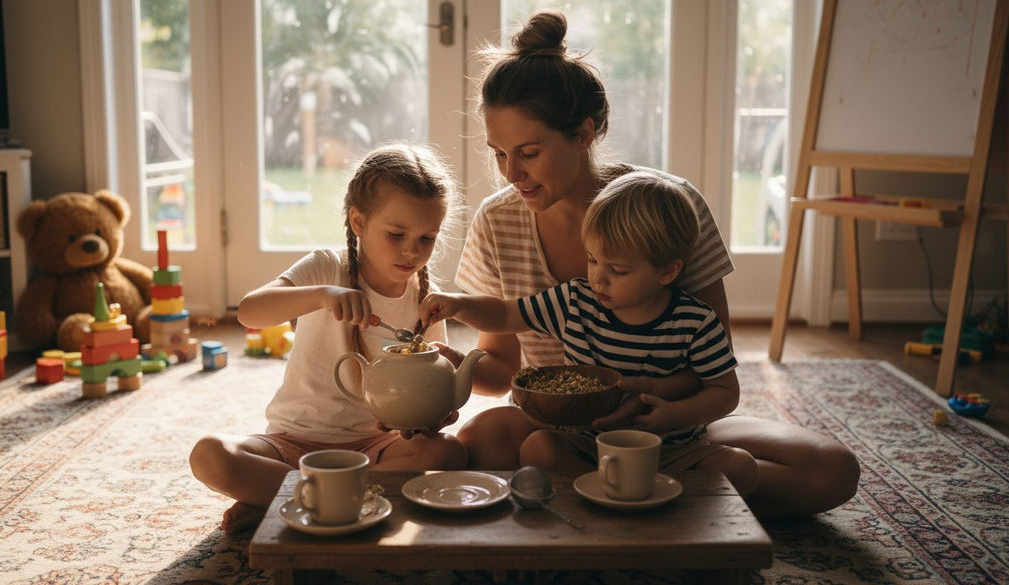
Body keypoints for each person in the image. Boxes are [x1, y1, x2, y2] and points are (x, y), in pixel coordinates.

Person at [444, 10, 859, 519]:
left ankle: (625, 491)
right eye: (499, 153)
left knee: (831, 469)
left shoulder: (668, 206)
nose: (512, 173)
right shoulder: (497, 220)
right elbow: (504, 366)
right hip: (560, 431)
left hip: (666, 423)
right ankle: (666, 501)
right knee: (480, 440)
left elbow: (710, 364)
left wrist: (650, 405)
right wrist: (451, 369)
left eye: (528, 152)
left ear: (583, 133)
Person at [420, 171, 759, 496]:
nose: (598, 278)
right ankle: (617, 496)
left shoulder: (695, 322)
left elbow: (725, 392)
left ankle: (632, 495)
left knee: (741, 468)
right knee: (539, 448)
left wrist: (674, 415)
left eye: (618, 270)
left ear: (667, 271)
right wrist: (459, 304)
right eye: (593, 260)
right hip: (585, 444)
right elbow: (507, 313)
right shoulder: (575, 300)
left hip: (669, 451)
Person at [190, 142, 468, 533]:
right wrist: (320, 296)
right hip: (292, 444)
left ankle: (285, 498)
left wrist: (431, 413)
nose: (412, 251)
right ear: (358, 222)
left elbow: (429, 400)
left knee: (450, 452)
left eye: (427, 238)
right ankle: (322, 495)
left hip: (375, 449)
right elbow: (250, 310)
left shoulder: (426, 297)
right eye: (396, 233)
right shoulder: (327, 267)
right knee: (211, 455)